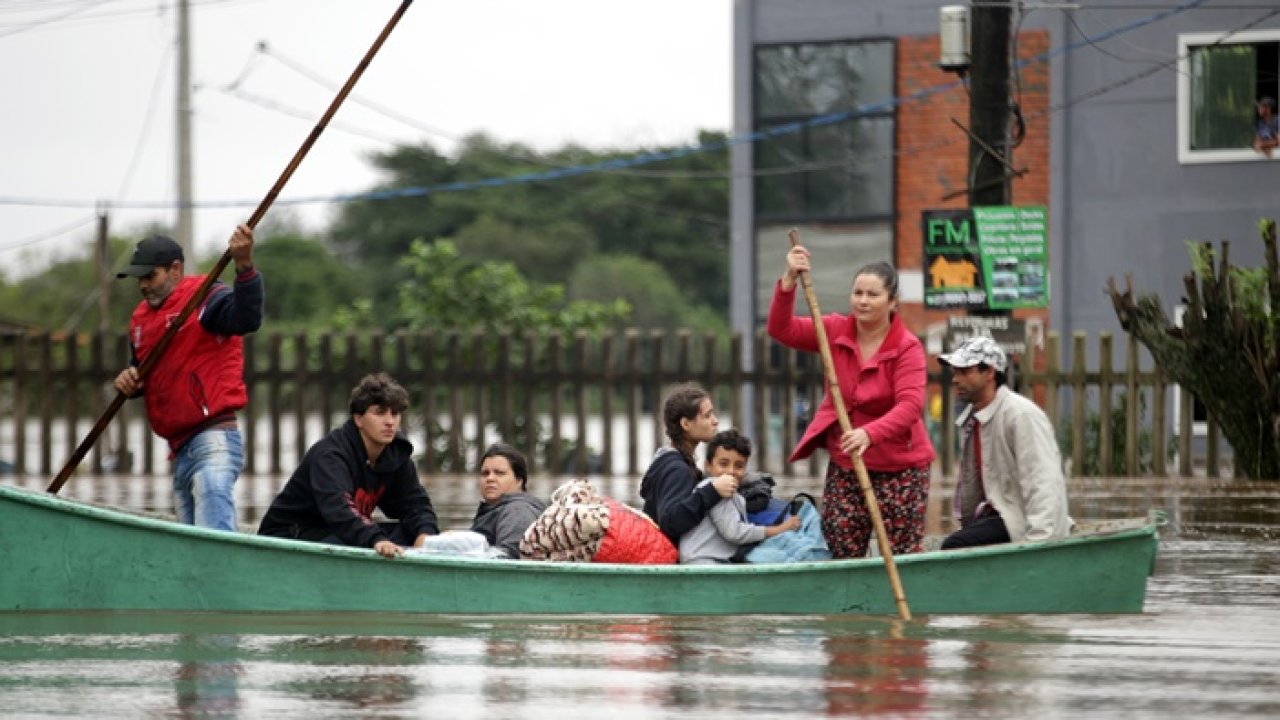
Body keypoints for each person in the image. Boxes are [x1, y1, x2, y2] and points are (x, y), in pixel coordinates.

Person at [768, 249, 935, 559]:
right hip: (847, 464)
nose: (863, 301)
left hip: (901, 469)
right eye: (857, 293)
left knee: (902, 556)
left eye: (873, 294)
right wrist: (789, 280)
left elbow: (911, 406)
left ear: (892, 301)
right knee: (840, 548)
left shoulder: (907, 347)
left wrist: (869, 434)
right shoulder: (832, 330)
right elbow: (781, 329)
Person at [114, 228, 263, 531]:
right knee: (191, 553)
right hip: (179, 452)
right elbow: (142, 371)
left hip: (213, 441)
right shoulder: (141, 319)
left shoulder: (206, 298)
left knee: (212, 543)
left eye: (150, 276)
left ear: (175, 270)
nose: (142, 285)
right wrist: (130, 382)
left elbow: (247, 319)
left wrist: (244, 266)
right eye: (138, 279)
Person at [257, 373, 439, 558]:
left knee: (408, 532)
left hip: (341, 533)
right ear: (358, 419)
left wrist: (425, 536)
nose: (390, 421)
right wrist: (376, 540)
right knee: (366, 541)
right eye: (380, 412)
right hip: (292, 536)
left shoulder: (395, 454)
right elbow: (338, 510)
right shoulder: (331, 455)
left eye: (395, 413)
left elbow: (415, 503)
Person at [937, 336, 1071, 549]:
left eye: (964, 371)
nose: (955, 379)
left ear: (989, 372)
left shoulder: (1020, 415)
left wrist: (1041, 542)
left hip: (1021, 523)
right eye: (955, 372)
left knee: (954, 545)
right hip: (997, 517)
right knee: (958, 540)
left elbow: (1042, 482)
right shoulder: (974, 419)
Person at [678, 429, 800, 564]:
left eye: (739, 466)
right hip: (702, 561)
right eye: (723, 464)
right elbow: (735, 533)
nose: (731, 471)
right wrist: (780, 529)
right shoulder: (717, 488)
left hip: (707, 558)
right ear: (708, 466)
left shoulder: (728, 490)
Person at [639, 383, 738, 545]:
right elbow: (670, 522)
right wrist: (712, 491)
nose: (716, 421)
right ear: (686, 424)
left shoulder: (671, 460)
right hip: (668, 559)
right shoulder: (676, 469)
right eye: (707, 416)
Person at [471, 443, 547, 559]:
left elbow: (510, 558)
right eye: (485, 473)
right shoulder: (497, 510)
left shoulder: (518, 510)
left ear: (519, 480)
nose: (490, 478)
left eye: (499, 473)